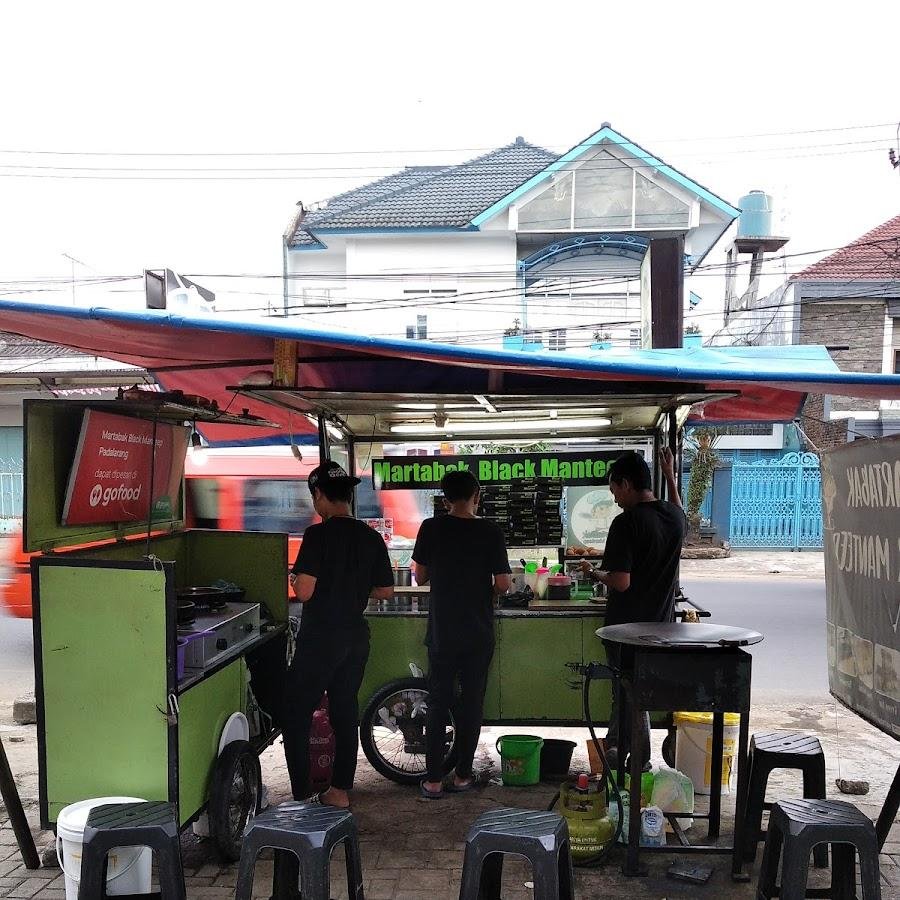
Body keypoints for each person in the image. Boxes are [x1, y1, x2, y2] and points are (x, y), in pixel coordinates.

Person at [283, 460, 394, 807]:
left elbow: (303, 591)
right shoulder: (370, 536)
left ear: (319, 494)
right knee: (344, 710)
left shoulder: (318, 534)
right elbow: (385, 591)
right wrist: (353, 587)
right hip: (355, 638)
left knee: (296, 712)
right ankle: (339, 791)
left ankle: (301, 794)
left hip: (321, 639)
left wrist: (294, 578)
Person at [580, 448, 685, 771]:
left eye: (614, 491)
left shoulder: (627, 523)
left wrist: (592, 572)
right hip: (661, 629)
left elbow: (621, 582)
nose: (614, 499)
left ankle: (633, 759)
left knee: (626, 695)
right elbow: (679, 510)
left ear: (626, 484)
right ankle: (624, 753)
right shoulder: (674, 517)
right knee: (640, 694)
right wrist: (670, 475)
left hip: (626, 630)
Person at [412, 470, 512, 799]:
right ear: (477, 496)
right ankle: (463, 776)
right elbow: (503, 584)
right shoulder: (490, 531)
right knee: (471, 704)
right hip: (478, 633)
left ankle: (433, 780)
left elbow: (420, 576)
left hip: (442, 631)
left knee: (438, 703)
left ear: (444, 500)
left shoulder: (431, 527)